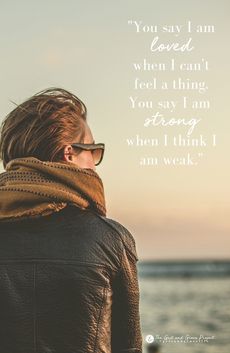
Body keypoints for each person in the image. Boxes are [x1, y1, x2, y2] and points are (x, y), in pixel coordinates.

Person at [0, 87, 143, 353]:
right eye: (93, 151)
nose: (94, 164)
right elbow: (129, 348)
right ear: (69, 154)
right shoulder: (111, 240)